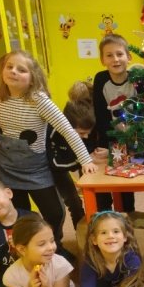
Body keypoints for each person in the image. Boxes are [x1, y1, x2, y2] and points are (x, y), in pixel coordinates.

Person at [0, 50, 96, 259]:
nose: (14, 72)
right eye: (10, 67)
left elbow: (67, 129)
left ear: (32, 77)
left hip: (35, 167)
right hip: (4, 164)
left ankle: (54, 246)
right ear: (2, 70)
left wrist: (86, 160)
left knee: (55, 211)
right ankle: (29, 250)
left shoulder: (39, 100)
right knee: (20, 213)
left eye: (21, 69)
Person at [92, 34, 144, 214]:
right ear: (102, 60)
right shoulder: (101, 79)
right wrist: (111, 146)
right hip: (115, 139)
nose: (115, 59)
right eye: (109, 55)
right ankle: (128, 216)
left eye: (119, 54)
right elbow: (101, 116)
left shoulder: (137, 77)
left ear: (129, 56)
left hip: (140, 138)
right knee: (124, 186)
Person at [47, 81, 111, 228]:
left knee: (101, 197)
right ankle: (81, 230)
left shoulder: (88, 122)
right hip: (57, 168)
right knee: (73, 202)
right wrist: (84, 160)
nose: (86, 136)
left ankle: (104, 224)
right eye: (82, 133)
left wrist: (95, 154)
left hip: (80, 161)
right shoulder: (56, 131)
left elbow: (90, 145)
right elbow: (56, 164)